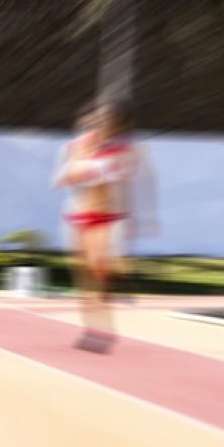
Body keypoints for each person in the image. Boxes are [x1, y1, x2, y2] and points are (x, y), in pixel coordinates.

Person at [54, 99, 151, 352]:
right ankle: (92, 329)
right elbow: (60, 180)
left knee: (98, 268)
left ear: (116, 125)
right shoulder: (75, 147)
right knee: (84, 275)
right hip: (78, 216)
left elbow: (126, 181)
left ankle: (107, 313)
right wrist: (81, 166)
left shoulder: (124, 151)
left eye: (107, 121)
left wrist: (132, 219)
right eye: (95, 121)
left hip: (104, 217)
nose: (99, 125)